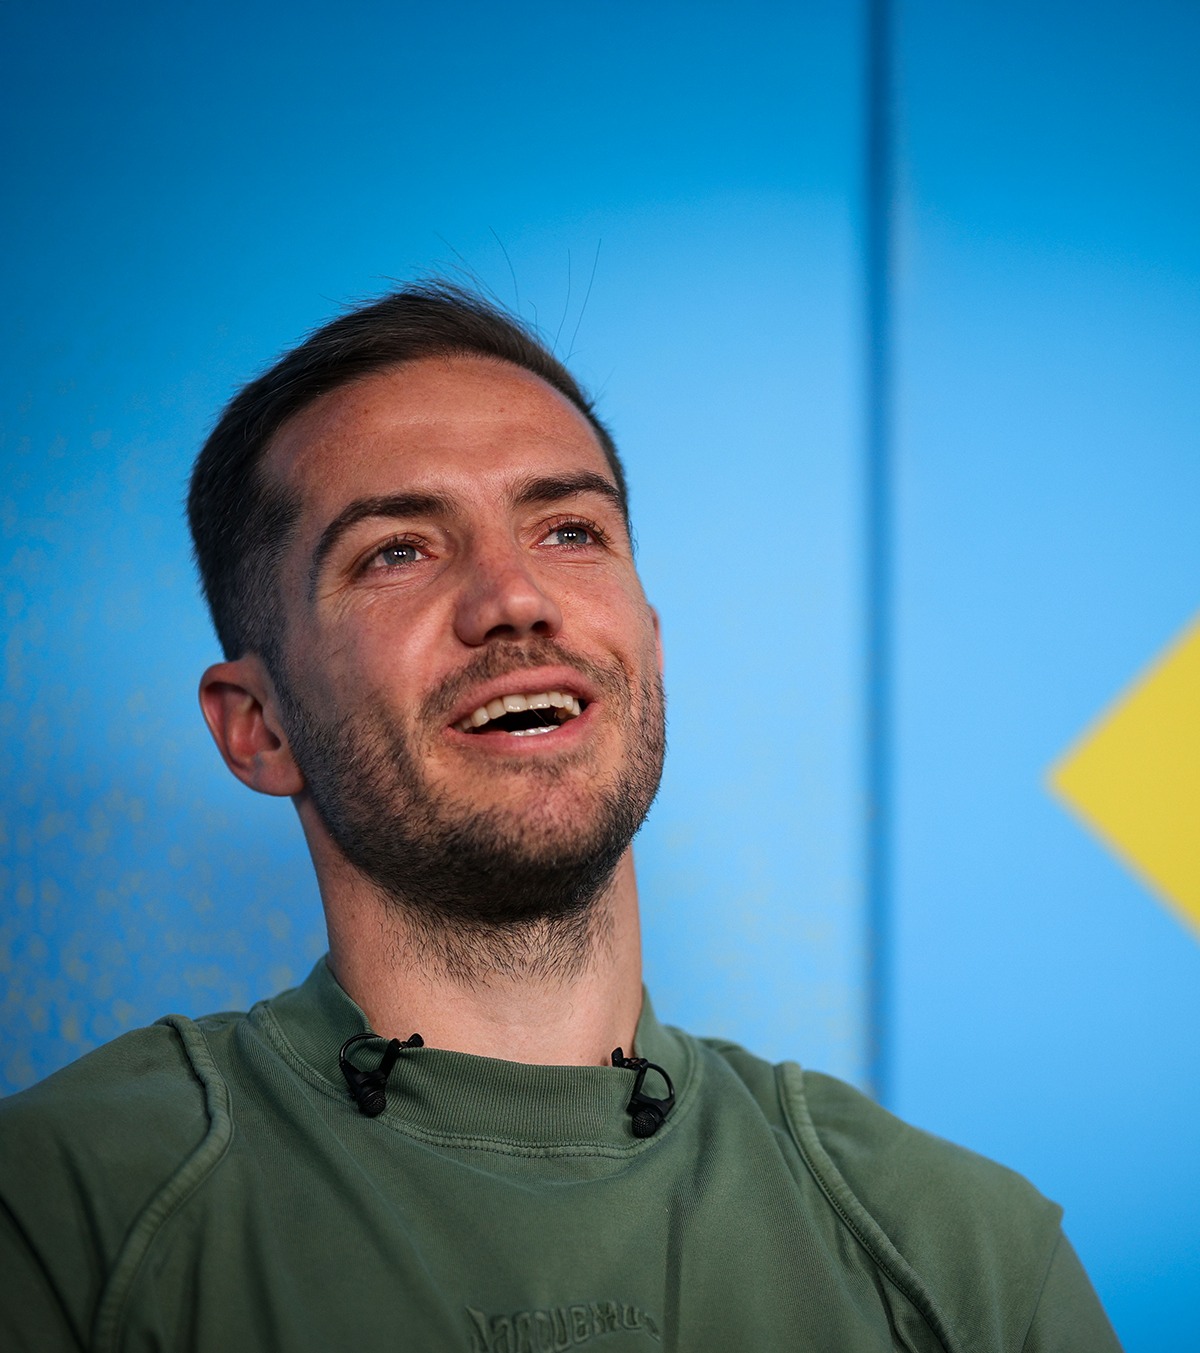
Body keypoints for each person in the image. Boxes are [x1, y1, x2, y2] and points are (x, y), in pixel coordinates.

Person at [0, 283, 1121, 1352]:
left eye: (570, 531)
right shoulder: (60, 1219)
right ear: (259, 727)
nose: (515, 598)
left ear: (649, 649)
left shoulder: (965, 1255)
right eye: (397, 551)